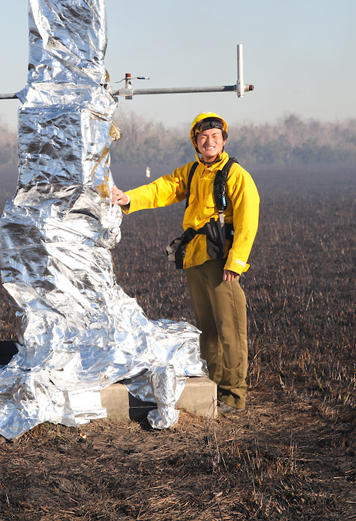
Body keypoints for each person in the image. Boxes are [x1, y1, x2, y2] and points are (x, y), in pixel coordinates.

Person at [111, 112, 260, 412]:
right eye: (204, 137)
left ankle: (233, 395)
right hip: (195, 260)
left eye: (215, 137)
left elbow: (248, 219)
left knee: (230, 329)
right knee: (209, 330)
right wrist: (128, 199)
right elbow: (163, 188)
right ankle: (215, 388)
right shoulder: (192, 172)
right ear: (195, 142)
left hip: (222, 263)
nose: (209, 142)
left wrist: (236, 261)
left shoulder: (235, 174)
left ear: (223, 141)